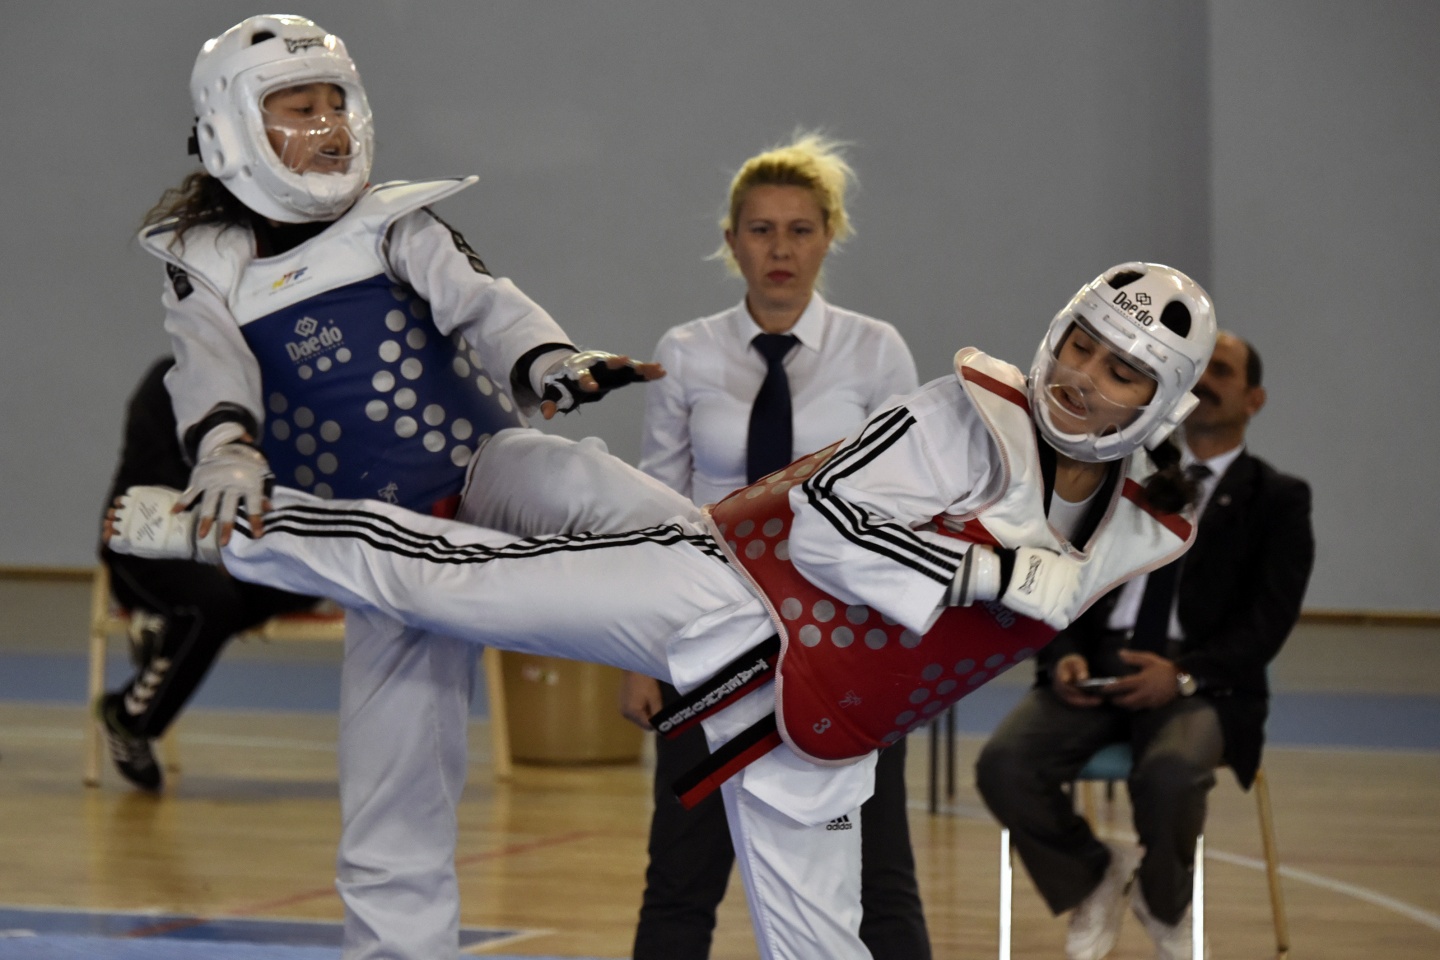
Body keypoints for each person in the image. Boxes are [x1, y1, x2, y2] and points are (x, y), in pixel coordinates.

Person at [108, 261, 1218, 960]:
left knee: (825, 946)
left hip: (820, 725)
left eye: (1121, 371)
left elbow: (1109, 545)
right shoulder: (960, 417)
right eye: (1080, 345)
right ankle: (232, 524)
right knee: (450, 579)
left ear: (1156, 403)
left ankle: (508, 469)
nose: (1081, 377)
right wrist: (983, 577)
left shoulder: (1136, 528)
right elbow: (830, 524)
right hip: (719, 598)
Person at [138, 15, 659, 960]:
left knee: (592, 484)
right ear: (230, 128)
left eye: (336, 102)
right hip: (378, 548)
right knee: (392, 796)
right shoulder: (201, 264)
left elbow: (486, 304)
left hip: (482, 468)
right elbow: (207, 370)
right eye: (300, 107)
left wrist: (551, 362)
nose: (329, 126)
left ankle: (750, 612)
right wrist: (223, 450)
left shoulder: (396, 220)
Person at [620, 132, 929, 959]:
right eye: (760, 230)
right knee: (681, 875)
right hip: (711, 638)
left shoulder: (877, 351)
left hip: (843, 643)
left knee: (876, 871)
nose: (780, 249)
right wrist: (643, 655)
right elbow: (661, 511)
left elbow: (904, 510)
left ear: (830, 235)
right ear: (731, 242)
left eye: (799, 229)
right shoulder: (685, 352)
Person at [974, 331, 1314, 960]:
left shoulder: (1278, 500)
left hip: (1200, 684)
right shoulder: (1119, 473)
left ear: (1255, 398)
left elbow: (1268, 623)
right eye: (1199, 369)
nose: (1207, 379)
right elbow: (1065, 572)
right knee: (1004, 765)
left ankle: (1165, 906)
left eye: (1225, 370)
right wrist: (1063, 652)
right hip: (1095, 669)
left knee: (1172, 773)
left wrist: (1182, 675)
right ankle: (1094, 873)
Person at [95, 356, 320, 792]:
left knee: (302, 583)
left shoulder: (277, 394)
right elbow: (154, 494)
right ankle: (129, 718)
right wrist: (214, 540)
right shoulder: (169, 382)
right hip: (146, 545)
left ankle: (168, 637)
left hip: (227, 548)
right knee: (211, 604)